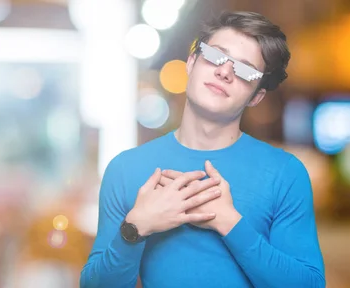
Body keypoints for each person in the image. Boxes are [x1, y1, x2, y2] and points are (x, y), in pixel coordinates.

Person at [79, 11, 325, 288]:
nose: (224, 71)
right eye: (216, 56)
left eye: (244, 70)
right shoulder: (125, 168)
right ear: (192, 62)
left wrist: (231, 224)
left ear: (256, 96)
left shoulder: (285, 173)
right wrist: (136, 226)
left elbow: (310, 284)